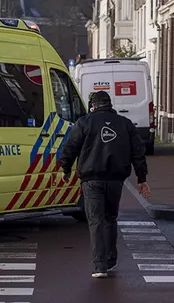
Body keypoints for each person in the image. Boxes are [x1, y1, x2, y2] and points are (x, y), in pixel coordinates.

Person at [58, 90, 151, 279]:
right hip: (116, 180)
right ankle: (109, 259)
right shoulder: (125, 124)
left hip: (91, 180)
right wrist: (141, 179)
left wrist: (65, 169)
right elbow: (138, 152)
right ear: (109, 104)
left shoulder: (84, 122)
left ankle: (99, 266)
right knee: (110, 218)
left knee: (96, 221)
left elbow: (71, 147)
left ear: (93, 105)